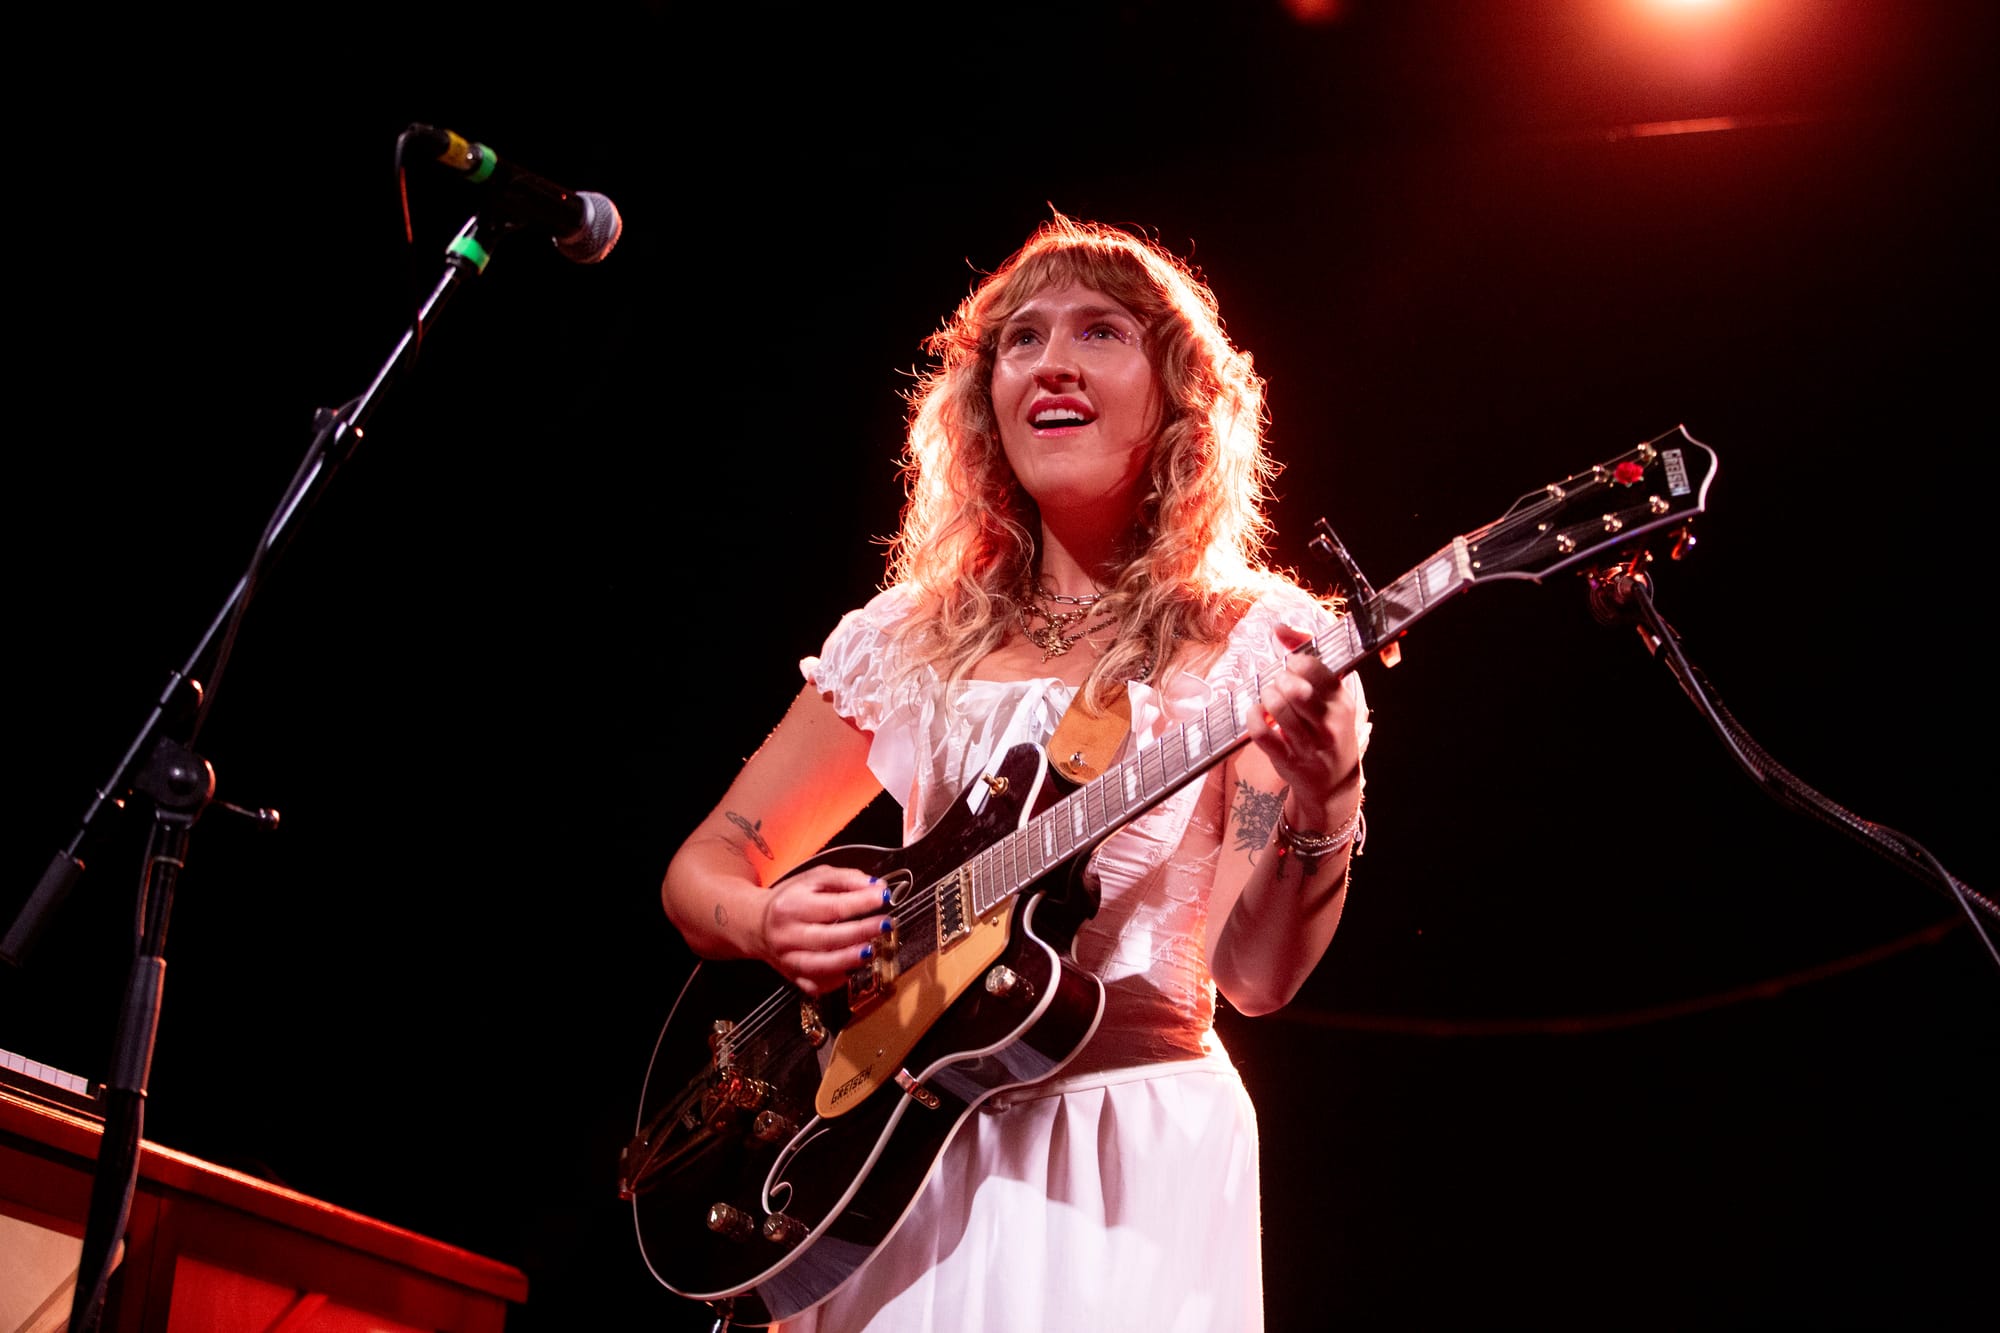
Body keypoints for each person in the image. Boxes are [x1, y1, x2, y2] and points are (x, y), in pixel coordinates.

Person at [662, 212, 1371, 1332]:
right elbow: (707, 863)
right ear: (983, 397)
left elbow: (1257, 977)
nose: (1051, 362)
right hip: (893, 1155)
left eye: (1100, 331)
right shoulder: (909, 637)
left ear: (1180, 395)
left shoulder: (1264, 643)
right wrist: (764, 919)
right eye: (1021, 339)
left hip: (1131, 1155)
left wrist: (1325, 794)